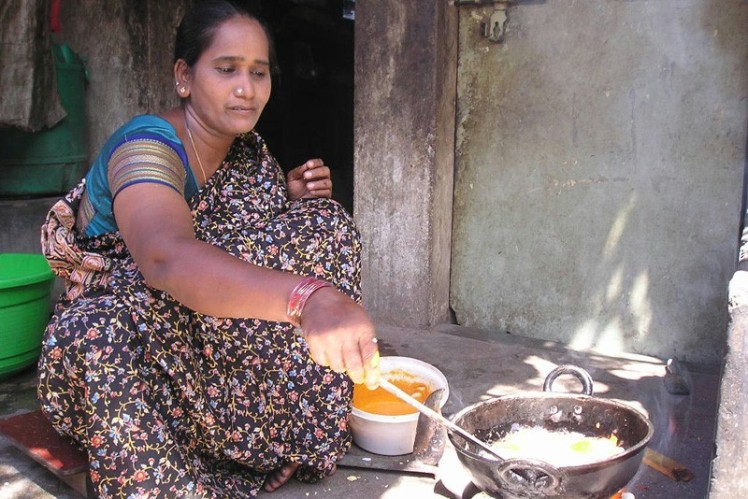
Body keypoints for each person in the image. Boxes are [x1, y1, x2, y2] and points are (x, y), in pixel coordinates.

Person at [37, 1, 380, 497]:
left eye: (258, 73)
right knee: (96, 330)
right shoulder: (145, 146)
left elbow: (234, 236)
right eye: (227, 70)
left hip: (200, 345)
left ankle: (273, 435)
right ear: (184, 75)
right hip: (127, 344)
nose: (246, 88)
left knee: (321, 224)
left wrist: (288, 199)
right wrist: (310, 298)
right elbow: (166, 257)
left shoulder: (245, 151)